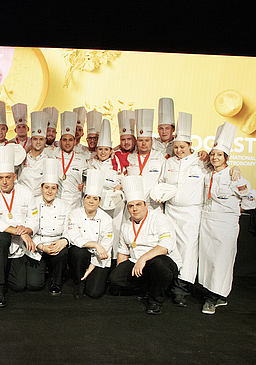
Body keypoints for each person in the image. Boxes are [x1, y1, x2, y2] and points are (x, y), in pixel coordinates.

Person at [198, 122, 256, 314]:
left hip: (225, 225)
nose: (215, 157)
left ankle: (213, 298)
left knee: (220, 261)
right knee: (207, 259)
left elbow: (250, 199)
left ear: (226, 158)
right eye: (213, 154)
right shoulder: (207, 173)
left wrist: (242, 207)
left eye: (219, 155)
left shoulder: (234, 176)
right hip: (206, 222)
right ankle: (212, 293)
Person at [109, 175, 181, 315]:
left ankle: (155, 300)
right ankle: (148, 288)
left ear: (145, 205)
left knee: (160, 265)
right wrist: (121, 271)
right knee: (114, 280)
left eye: (138, 204)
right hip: (137, 263)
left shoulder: (159, 218)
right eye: (131, 206)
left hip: (161, 261)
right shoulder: (126, 225)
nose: (135, 209)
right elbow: (123, 252)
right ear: (128, 208)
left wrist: (143, 258)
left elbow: (165, 246)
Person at [154, 112, 206, 307]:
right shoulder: (168, 162)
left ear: (190, 146)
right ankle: (169, 284)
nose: (179, 151)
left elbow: (221, 166)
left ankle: (182, 288)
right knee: (171, 247)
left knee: (188, 249)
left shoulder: (201, 162)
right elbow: (160, 183)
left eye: (182, 147)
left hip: (191, 212)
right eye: (176, 147)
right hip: (172, 211)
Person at [0, 145, 39, 308]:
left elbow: (33, 219)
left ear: (14, 176)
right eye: (1, 178)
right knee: (2, 236)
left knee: (19, 286)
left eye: (8, 177)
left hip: (18, 246)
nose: (5, 181)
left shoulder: (26, 192)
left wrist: (27, 230)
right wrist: (19, 231)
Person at [67, 169, 114, 299]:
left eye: (95, 198)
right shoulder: (75, 213)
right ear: (84, 199)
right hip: (82, 255)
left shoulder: (107, 219)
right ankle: (79, 281)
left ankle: (90, 275)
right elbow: (74, 237)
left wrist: (93, 263)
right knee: (77, 251)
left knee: (94, 293)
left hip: (99, 258)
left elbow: (106, 245)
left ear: (100, 201)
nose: (91, 201)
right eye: (88, 197)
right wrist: (95, 245)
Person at [86, 119, 123, 259]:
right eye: (100, 149)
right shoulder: (91, 163)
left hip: (113, 208)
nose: (103, 152)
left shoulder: (116, 165)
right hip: (96, 205)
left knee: (112, 233)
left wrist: (120, 186)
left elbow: (124, 181)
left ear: (111, 150)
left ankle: (111, 261)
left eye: (106, 149)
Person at [32, 159, 69, 295]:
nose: (49, 191)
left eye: (53, 188)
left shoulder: (64, 205)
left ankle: (57, 282)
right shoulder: (33, 203)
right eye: (46, 187)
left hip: (56, 244)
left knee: (63, 252)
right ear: (41, 187)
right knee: (34, 284)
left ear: (57, 189)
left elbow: (68, 228)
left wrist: (63, 241)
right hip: (38, 246)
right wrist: (41, 246)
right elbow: (29, 230)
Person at [46, 111, 87, 211]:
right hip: (55, 201)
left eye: (70, 140)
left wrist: (84, 184)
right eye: (64, 140)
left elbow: (87, 178)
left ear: (75, 141)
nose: (67, 143)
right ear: (59, 141)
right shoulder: (51, 153)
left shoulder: (81, 159)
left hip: (74, 204)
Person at [126, 109, 166, 211]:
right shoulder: (129, 158)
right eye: (140, 140)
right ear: (136, 142)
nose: (143, 144)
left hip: (154, 205)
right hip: (134, 205)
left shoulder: (161, 157)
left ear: (152, 142)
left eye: (147, 140)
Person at [17, 111, 49, 198]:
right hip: (22, 198)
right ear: (31, 140)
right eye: (35, 139)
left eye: (41, 139)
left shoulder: (48, 159)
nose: (38, 142)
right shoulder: (22, 157)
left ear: (45, 141)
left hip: (40, 200)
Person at [112, 110, 137, 175]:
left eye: (129, 139)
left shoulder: (140, 153)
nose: (126, 142)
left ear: (134, 140)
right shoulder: (115, 154)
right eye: (123, 139)